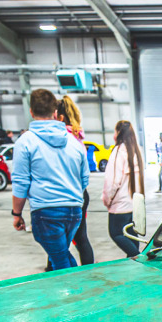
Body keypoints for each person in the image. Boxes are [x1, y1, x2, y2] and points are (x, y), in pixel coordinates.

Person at [10, 88, 88, 270]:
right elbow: (84, 178)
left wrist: (16, 214)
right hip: (74, 211)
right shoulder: (74, 142)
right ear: (55, 112)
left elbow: (21, 183)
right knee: (60, 256)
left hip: (46, 211)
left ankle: (78, 287)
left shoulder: (25, 142)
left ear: (31, 112)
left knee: (60, 262)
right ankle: (73, 285)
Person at [57, 94, 94, 266]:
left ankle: (57, 272)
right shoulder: (77, 136)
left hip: (67, 193)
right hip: (80, 192)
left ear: (59, 117)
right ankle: (88, 271)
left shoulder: (62, 137)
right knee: (80, 237)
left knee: (60, 241)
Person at [102, 120, 146, 258]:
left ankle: (139, 259)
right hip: (134, 204)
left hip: (120, 205)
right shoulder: (137, 150)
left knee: (116, 233)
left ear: (119, 133)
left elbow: (112, 182)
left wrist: (107, 200)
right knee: (131, 235)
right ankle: (133, 264)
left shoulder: (118, 151)